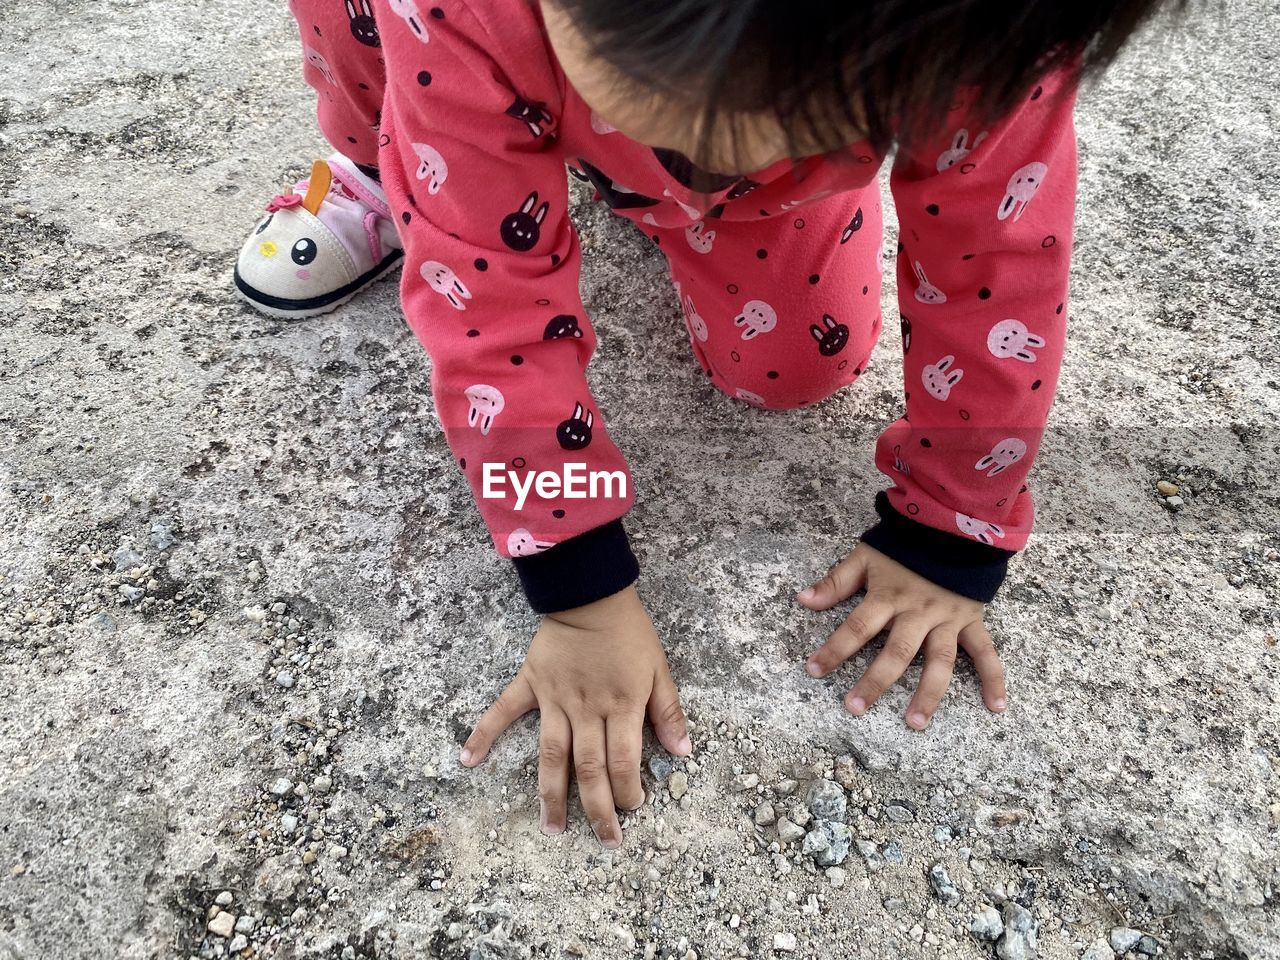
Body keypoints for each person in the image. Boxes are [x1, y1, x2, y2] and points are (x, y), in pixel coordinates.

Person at [234, 0, 1175, 848]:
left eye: (793, 124)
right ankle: (379, 163)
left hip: (779, 131)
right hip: (453, 52)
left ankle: (675, 187)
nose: (709, 147)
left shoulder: (990, 39)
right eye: (666, 103)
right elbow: (490, 311)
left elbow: (997, 267)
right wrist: (578, 588)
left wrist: (951, 527)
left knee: (797, 367)